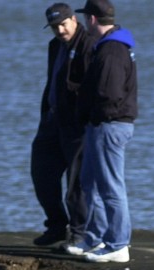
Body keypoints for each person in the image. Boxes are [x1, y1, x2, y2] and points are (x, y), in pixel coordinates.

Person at [64, 0, 137, 264]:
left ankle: (118, 244)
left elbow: (109, 94)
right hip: (101, 126)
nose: (84, 22)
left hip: (110, 125)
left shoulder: (112, 50)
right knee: (89, 182)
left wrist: (93, 114)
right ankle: (95, 237)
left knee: (111, 187)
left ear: (92, 19)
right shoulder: (107, 47)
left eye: (85, 18)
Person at [30, 3, 94, 247]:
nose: (59, 30)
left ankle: (79, 231)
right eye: (54, 26)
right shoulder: (55, 46)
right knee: (41, 173)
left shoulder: (88, 45)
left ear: (74, 21)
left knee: (76, 183)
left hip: (76, 125)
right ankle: (56, 225)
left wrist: (82, 114)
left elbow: (90, 87)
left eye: (63, 24)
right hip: (52, 121)